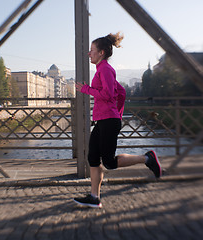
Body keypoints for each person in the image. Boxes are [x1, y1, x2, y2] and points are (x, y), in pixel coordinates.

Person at [73, 32, 162, 208]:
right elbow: (121, 92)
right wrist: (118, 114)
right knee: (92, 157)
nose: (89, 53)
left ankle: (147, 158)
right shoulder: (103, 70)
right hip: (105, 119)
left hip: (107, 120)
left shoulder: (105, 69)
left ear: (101, 53)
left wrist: (86, 90)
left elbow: (107, 94)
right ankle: (94, 197)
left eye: (91, 50)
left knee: (109, 162)